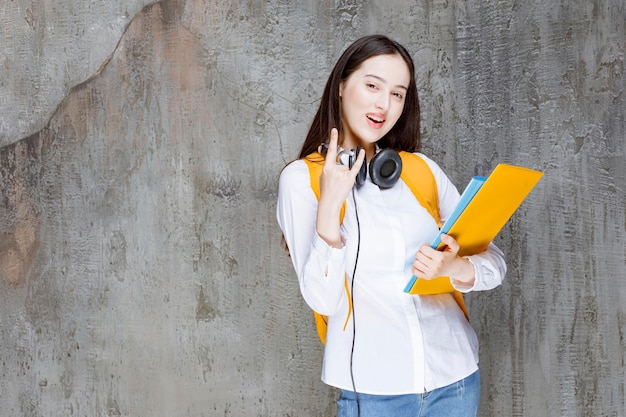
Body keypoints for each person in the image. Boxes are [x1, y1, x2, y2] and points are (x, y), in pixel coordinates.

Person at [276, 34, 506, 417]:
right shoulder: (301, 181)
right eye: (372, 86)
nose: (385, 104)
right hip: (374, 392)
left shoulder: (421, 171)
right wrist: (330, 211)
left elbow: (494, 264)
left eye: (398, 94)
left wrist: (456, 268)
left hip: (457, 379)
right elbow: (323, 300)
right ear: (341, 87)